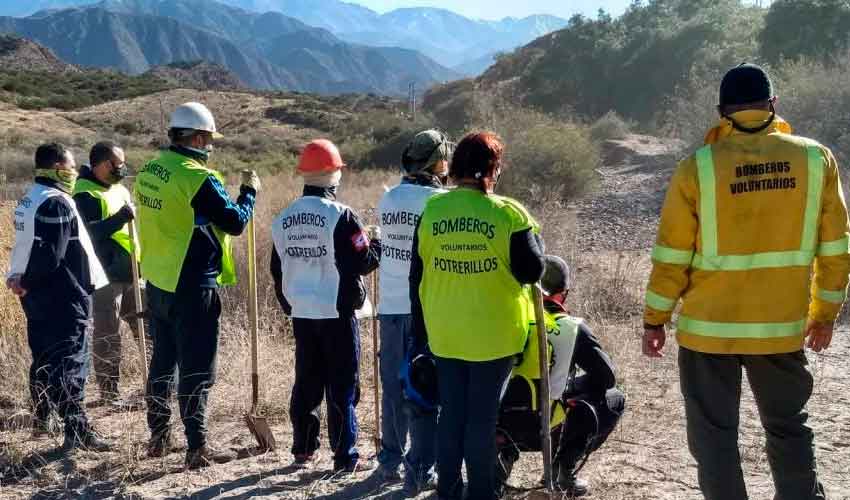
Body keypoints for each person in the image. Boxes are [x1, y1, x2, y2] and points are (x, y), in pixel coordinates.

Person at [643, 63, 850, 500]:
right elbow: (836, 249)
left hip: (708, 333)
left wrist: (654, 319)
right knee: (789, 428)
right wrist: (824, 314)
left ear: (722, 111)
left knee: (714, 438)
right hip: (779, 330)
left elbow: (672, 257)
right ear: (773, 105)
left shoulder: (696, 168)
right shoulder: (816, 159)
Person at [410, 131, 545, 500]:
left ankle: (448, 491)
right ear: (492, 169)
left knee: (451, 413)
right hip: (494, 335)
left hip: (445, 332)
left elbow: (416, 275)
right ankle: (482, 493)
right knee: (481, 419)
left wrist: (419, 333)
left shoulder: (432, 211)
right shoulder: (509, 213)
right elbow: (533, 271)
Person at [135, 102, 260, 469]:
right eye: (209, 140)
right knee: (196, 369)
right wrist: (250, 191)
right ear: (200, 137)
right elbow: (235, 222)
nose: (211, 148)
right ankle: (197, 447)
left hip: (157, 280)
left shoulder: (150, 169)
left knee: (163, 364)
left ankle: (158, 437)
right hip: (191, 286)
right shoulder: (197, 177)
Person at [270, 139, 381, 473]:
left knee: (306, 382)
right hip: (337, 313)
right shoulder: (343, 216)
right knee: (343, 385)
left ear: (304, 174)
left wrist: (290, 303)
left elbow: (277, 269)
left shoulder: (282, 219)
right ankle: (345, 456)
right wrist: (376, 240)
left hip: (302, 313)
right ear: (334, 173)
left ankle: (303, 450)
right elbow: (365, 261)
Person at [5, 143, 110, 451]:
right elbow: (51, 255)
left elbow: (30, 247)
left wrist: (21, 280)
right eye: (71, 167)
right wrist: (27, 280)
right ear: (56, 168)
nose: (75, 172)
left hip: (35, 291)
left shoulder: (30, 198)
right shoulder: (56, 203)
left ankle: (42, 417)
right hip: (63, 293)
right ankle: (77, 429)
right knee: (71, 360)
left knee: (45, 356)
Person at [494, 256, 624, 498]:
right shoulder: (573, 327)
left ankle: (499, 465)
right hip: (546, 427)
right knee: (614, 397)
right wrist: (570, 387)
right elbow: (607, 379)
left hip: (500, 424)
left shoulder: (504, 317)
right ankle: (562, 469)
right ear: (563, 293)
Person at [374, 130, 451, 494]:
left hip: (389, 306)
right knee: (423, 391)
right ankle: (421, 470)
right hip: (427, 311)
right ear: (439, 163)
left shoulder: (388, 200)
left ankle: (389, 461)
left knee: (393, 387)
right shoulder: (440, 203)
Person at [73, 141, 140, 403]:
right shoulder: (84, 194)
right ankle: (109, 393)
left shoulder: (120, 190)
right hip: (105, 275)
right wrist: (121, 218)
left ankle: (155, 384)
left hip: (132, 270)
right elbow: (88, 234)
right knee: (107, 334)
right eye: (117, 164)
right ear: (101, 164)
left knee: (147, 325)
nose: (122, 169)